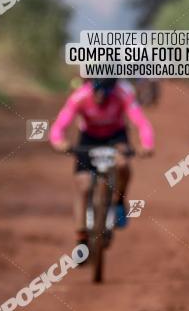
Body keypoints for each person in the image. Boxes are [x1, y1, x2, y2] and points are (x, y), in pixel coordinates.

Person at [49, 78, 155, 245]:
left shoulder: (123, 94)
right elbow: (60, 124)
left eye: (105, 92)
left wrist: (147, 144)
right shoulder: (80, 97)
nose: (100, 96)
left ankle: (119, 202)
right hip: (88, 138)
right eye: (97, 90)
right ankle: (81, 237)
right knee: (82, 184)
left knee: (122, 164)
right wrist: (58, 141)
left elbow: (141, 122)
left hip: (116, 136)